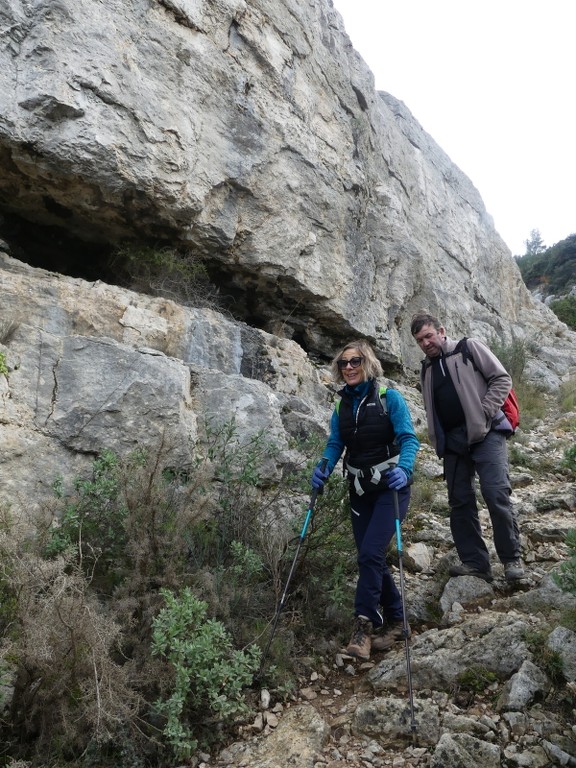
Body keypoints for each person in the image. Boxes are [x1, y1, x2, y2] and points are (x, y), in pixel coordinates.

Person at [311, 340, 419, 661]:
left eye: (355, 361)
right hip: (359, 488)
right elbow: (335, 442)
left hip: (391, 488)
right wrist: (325, 466)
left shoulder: (390, 398)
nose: (348, 368)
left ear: (368, 364)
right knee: (369, 555)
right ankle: (398, 618)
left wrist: (405, 467)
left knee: (370, 553)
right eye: (343, 363)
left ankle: (364, 625)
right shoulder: (340, 405)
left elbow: (409, 439)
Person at [410, 311, 524, 583]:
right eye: (419, 340)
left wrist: (483, 411)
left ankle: (511, 560)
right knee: (460, 502)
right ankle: (475, 563)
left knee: (495, 494)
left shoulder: (468, 348)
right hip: (453, 443)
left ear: (441, 330)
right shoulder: (426, 368)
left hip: (487, 434)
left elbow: (502, 378)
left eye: (428, 336)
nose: (425, 343)